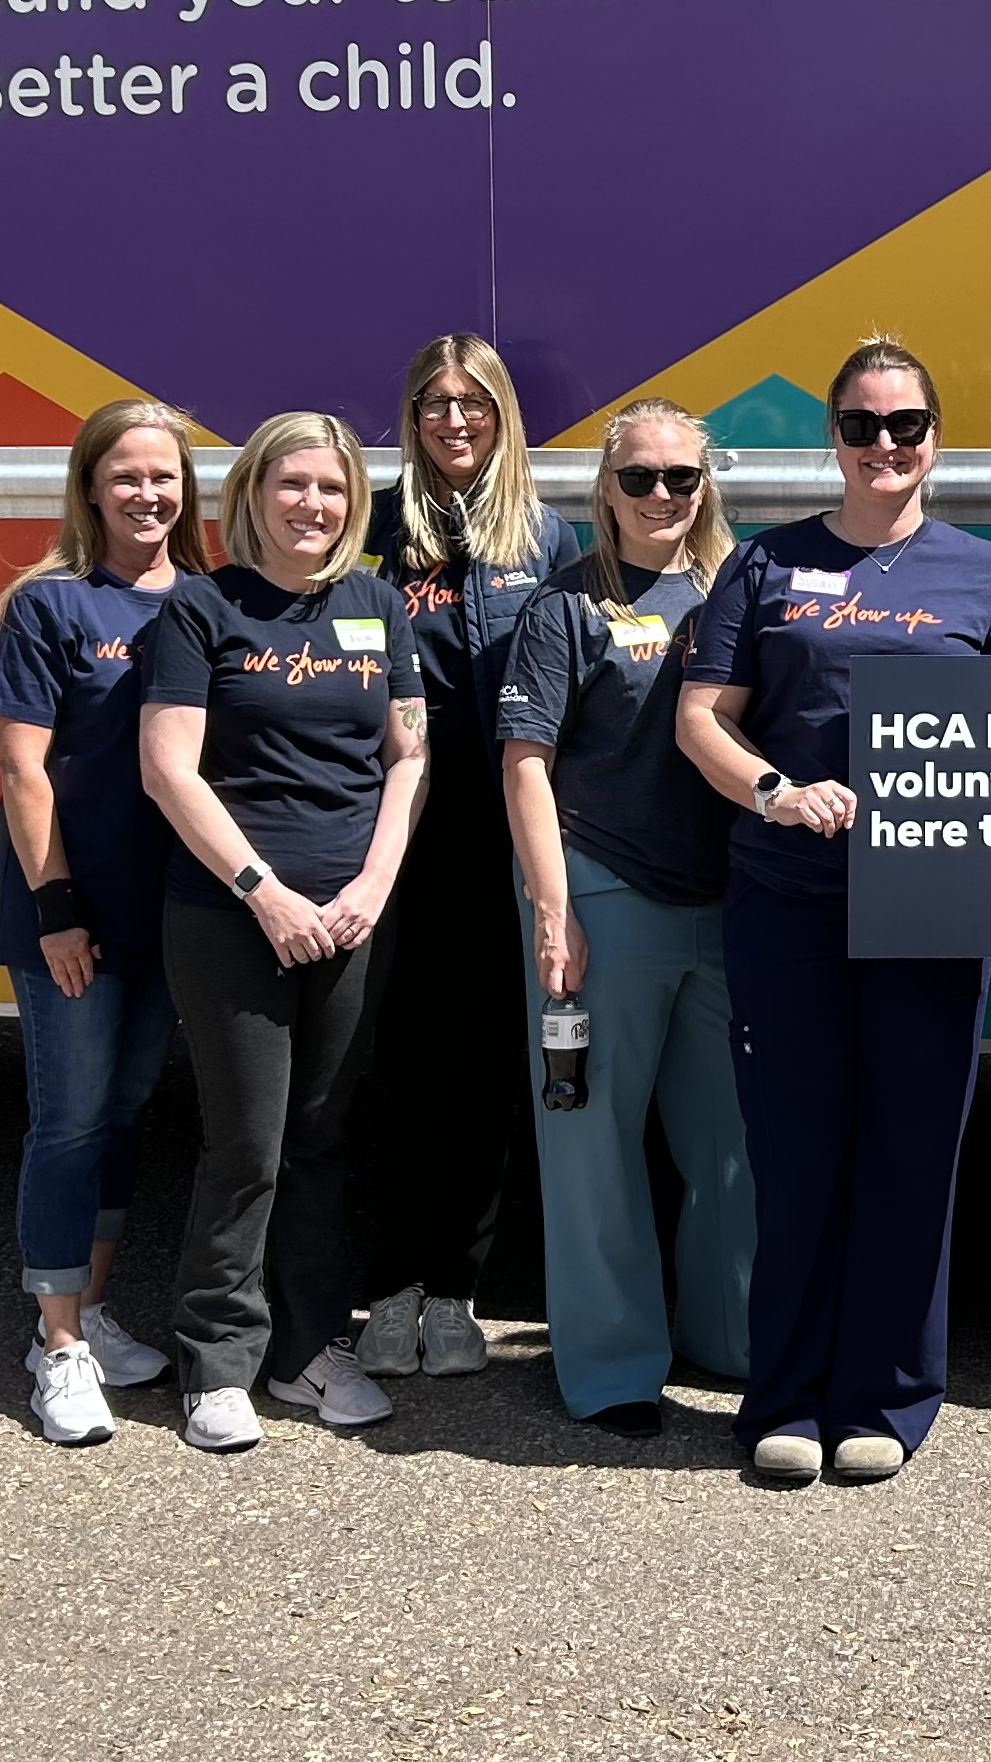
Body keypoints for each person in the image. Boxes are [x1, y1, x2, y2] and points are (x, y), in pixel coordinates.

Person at [678, 339, 991, 1484]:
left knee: (910, 1155)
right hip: (788, 904)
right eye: (862, 424)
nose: (886, 446)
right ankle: (784, 1396)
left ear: (937, 436)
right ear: (830, 437)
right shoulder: (764, 565)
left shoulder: (990, 578)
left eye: (907, 425)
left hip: (934, 914)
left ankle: (887, 1399)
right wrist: (776, 791)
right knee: (794, 1152)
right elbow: (702, 719)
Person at [139, 412, 430, 1452]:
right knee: (247, 1143)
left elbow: (408, 755)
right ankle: (217, 1358)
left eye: (335, 488)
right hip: (229, 918)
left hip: (352, 918)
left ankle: (308, 1350)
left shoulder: (375, 606)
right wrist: (264, 890)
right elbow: (168, 767)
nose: (315, 505)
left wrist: (374, 885)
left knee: (321, 1136)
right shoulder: (203, 611)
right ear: (253, 492)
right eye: (294, 484)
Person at [494, 400, 753, 1433]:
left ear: (706, 487)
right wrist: (554, 913)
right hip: (605, 898)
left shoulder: (738, 590)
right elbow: (524, 766)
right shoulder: (564, 608)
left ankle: (732, 1342)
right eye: (639, 478)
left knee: (733, 1144)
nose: (660, 497)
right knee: (594, 1150)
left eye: (680, 479)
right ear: (604, 489)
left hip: (726, 902)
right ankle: (613, 1369)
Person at [0, 398, 212, 1446]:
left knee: (122, 1119)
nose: (148, 494)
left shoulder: (206, 602)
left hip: (166, 915)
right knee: (68, 1120)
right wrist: (56, 909)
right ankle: (58, 1345)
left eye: (164, 477)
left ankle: (94, 1310)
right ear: (90, 486)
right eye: (127, 475)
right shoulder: (51, 606)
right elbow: (22, 769)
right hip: (71, 914)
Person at [357, 335, 575, 1383]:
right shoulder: (373, 532)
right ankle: (391, 1280)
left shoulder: (546, 535)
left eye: (474, 403)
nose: (454, 421)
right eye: (435, 402)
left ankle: (458, 1287)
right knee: (403, 1058)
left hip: (510, 832)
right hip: (400, 831)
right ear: (412, 413)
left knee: (494, 1060)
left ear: (502, 415)